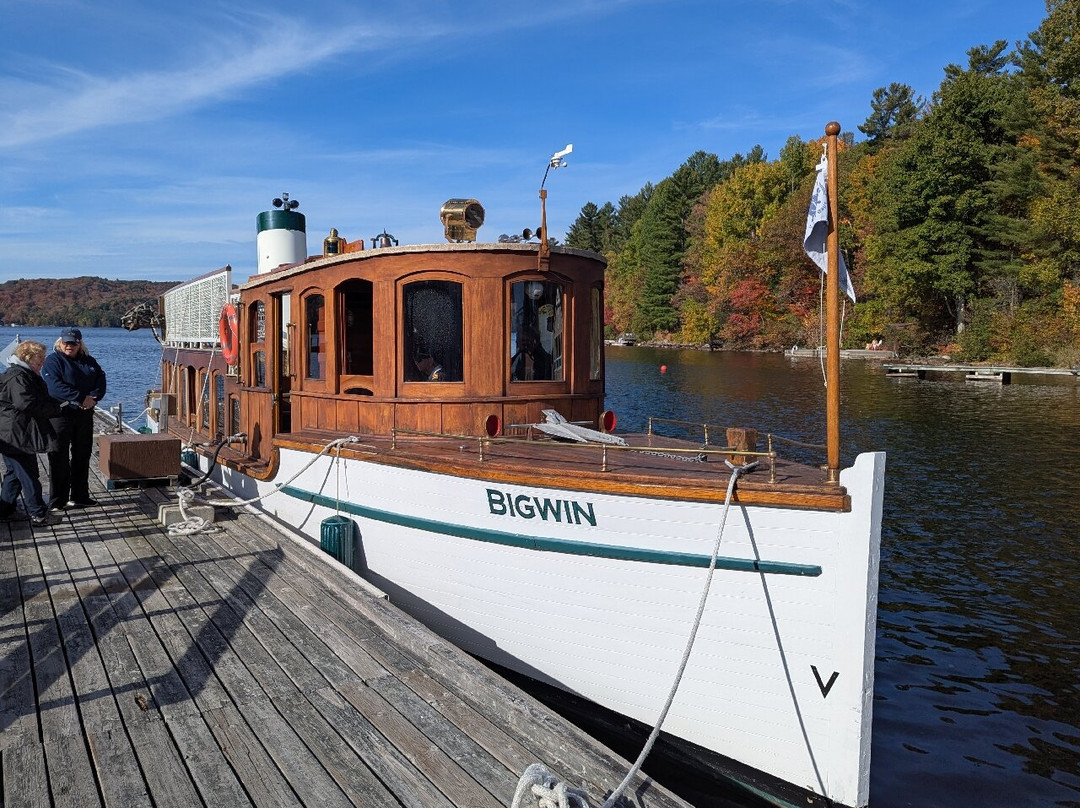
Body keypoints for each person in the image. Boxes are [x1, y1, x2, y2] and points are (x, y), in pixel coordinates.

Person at [42, 327, 107, 510]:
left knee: (82, 455)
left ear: (80, 344)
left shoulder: (89, 361)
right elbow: (54, 387)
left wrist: (94, 397)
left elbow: (100, 378)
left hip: (84, 414)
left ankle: (80, 495)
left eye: (73, 343)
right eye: (66, 342)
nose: (69, 346)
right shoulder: (53, 360)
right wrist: (80, 397)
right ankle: (58, 500)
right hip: (60, 415)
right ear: (60, 342)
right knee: (58, 456)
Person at [0, 341, 64, 526]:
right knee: (28, 474)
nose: (42, 361)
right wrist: (54, 409)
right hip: (13, 434)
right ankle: (39, 513)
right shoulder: (17, 377)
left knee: (14, 473)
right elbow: (25, 403)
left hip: (15, 432)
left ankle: (5, 510)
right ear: (27, 357)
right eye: (39, 358)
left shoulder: (24, 374)